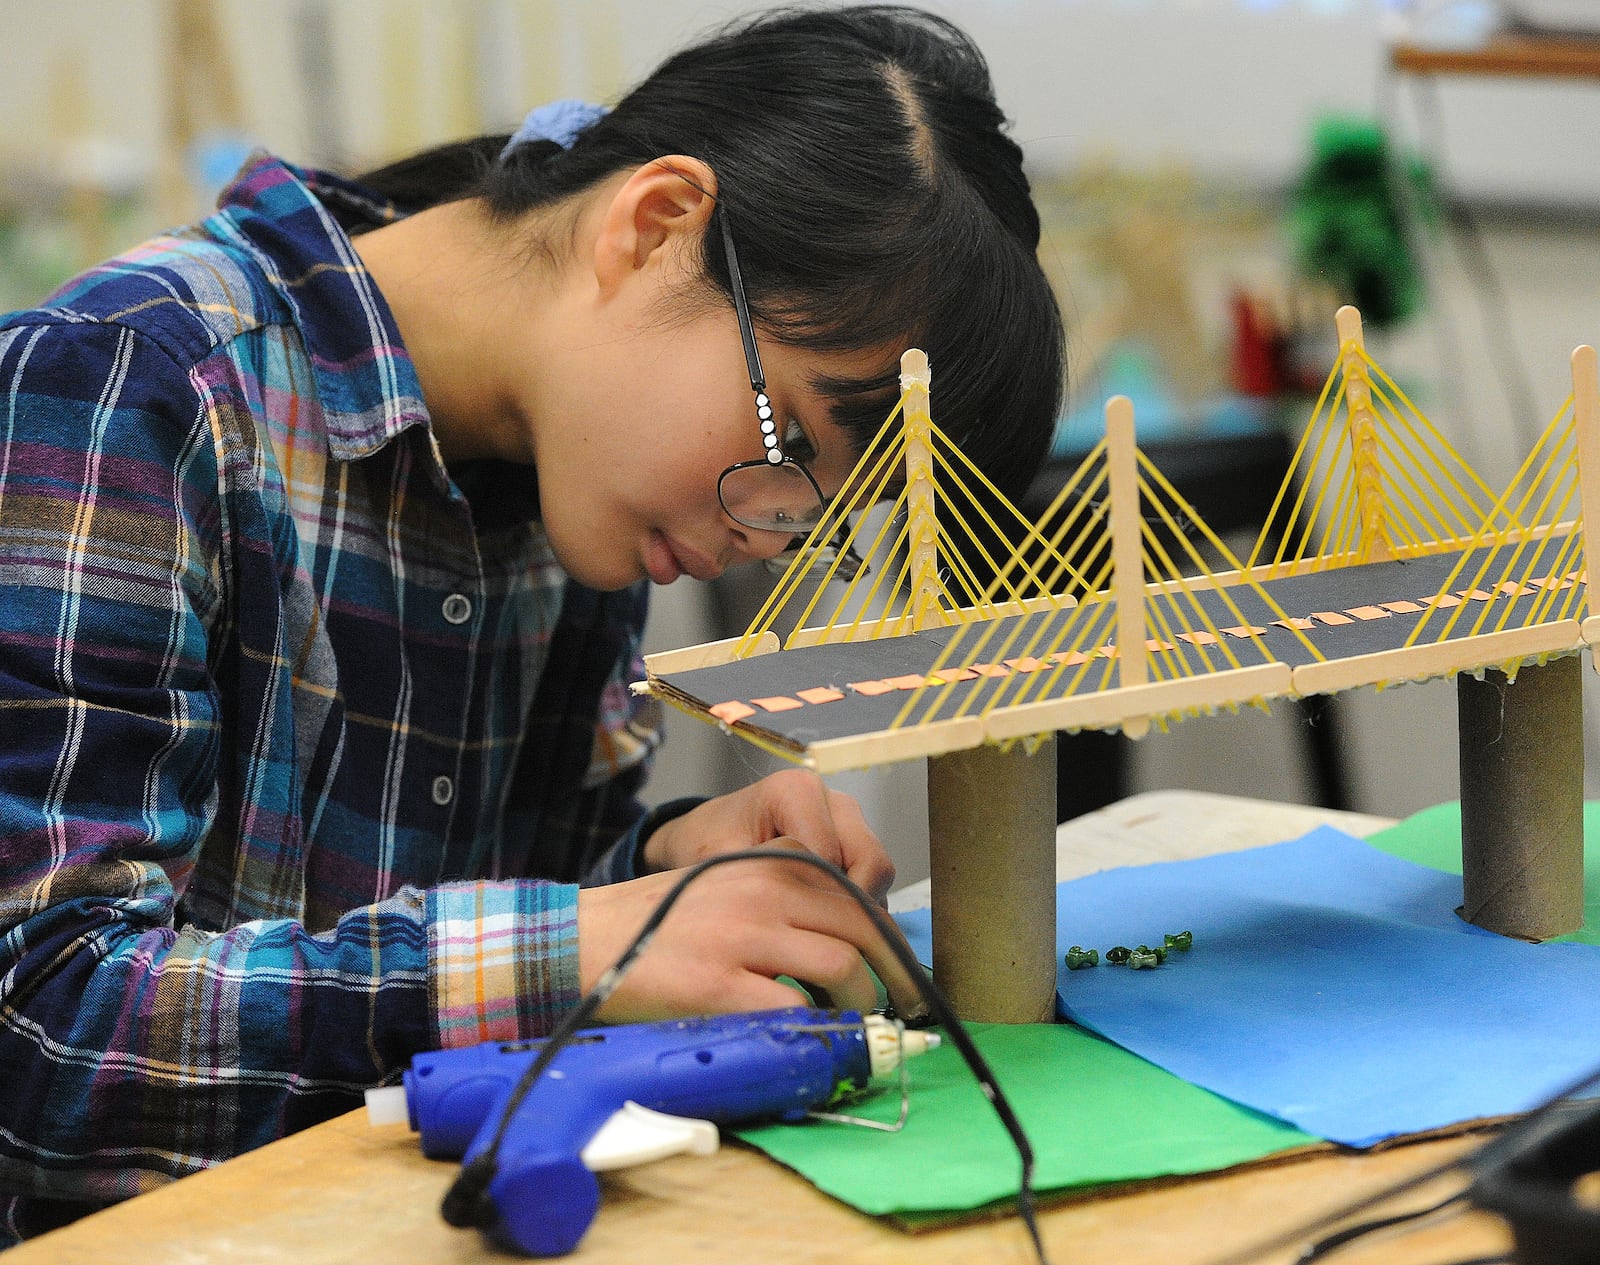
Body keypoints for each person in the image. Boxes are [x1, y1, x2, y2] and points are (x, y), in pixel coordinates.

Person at [0, 3, 1064, 1242]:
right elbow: (41, 1023)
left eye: (825, 515)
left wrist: (660, 878)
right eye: (787, 447)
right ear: (656, 225)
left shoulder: (582, 488)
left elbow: (480, 927)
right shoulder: (124, 388)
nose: (767, 535)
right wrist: (578, 945)